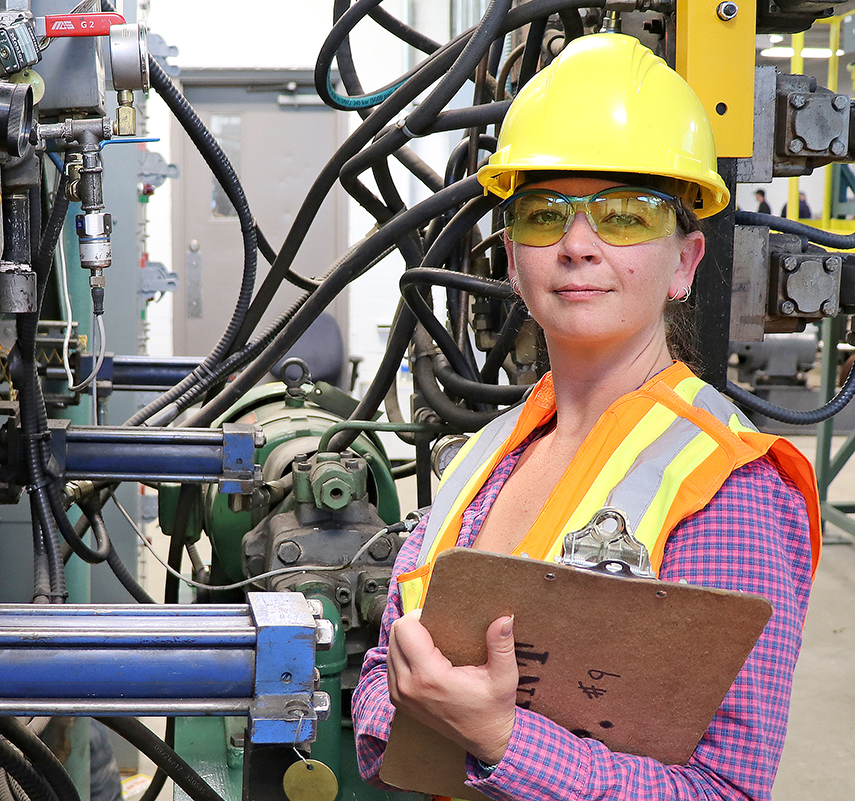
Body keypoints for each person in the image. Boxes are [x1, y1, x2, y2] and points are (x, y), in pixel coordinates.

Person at [352, 33, 821, 801]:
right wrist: (404, 700)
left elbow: (724, 791)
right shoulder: (483, 456)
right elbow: (384, 663)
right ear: (511, 257)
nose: (577, 245)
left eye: (627, 216)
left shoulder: (729, 483)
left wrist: (502, 740)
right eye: (543, 215)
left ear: (686, 262)